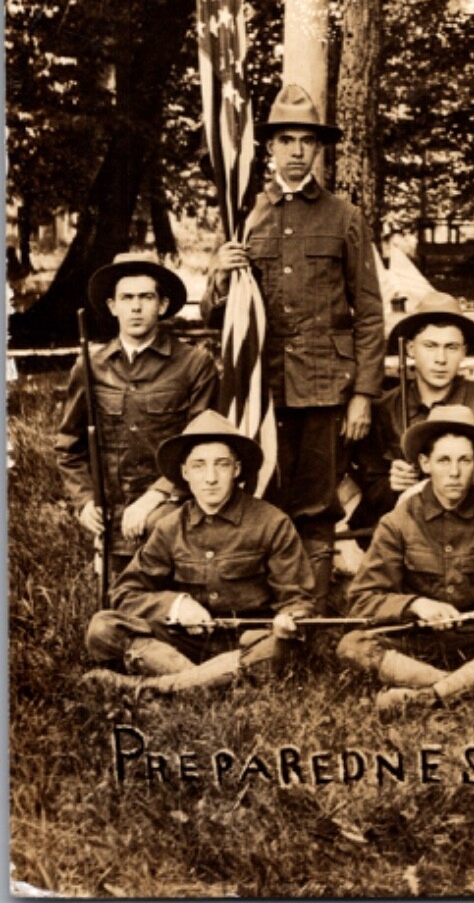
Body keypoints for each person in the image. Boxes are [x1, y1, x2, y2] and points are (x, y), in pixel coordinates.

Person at [205, 83, 385, 607]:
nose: (296, 150)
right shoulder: (247, 218)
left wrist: (363, 395)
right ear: (269, 149)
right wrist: (220, 273)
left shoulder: (343, 217)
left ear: (318, 149)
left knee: (317, 503)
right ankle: (269, 602)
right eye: (286, 139)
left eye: (307, 140)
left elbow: (369, 312)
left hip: (327, 387)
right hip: (261, 386)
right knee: (265, 494)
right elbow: (218, 316)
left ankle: (314, 610)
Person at [81, 412, 315, 694]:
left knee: (280, 648)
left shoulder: (272, 523)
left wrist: (290, 620)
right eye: (199, 466)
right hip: (185, 644)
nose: (211, 478)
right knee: (103, 627)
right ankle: (213, 684)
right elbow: (125, 594)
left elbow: (298, 601)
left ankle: (155, 687)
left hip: (247, 642)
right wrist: (176, 606)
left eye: (222, 465)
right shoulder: (170, 527)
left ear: (237, 470)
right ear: (185, 473)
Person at [338, 407, 474, 716]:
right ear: (425, 463)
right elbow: (362, 600)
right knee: (352, 645)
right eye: (443, 460)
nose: (454, 472)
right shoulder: (397, 521)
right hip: (416, 643)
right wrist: (415, 604)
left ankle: (428, 698)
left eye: (464, 460)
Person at [57, 253, 217, 579]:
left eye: (146, 297)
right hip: (113, 520)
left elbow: (202, 446)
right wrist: (85, 502)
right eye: (126, 298)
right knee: (117, 616)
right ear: (112, 306)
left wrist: (155, 497)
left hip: (175, 511)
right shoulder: (90, 366)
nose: (136, 307)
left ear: (162, 304)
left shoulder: (194, 364)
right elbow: (69, 448)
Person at [349, 291, 474, 529]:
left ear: (464, 352)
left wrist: (428, 488)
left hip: (467, 528)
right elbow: (370, 486)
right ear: (410, 349)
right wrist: (391, 484)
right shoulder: (384, 409)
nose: (440, 358)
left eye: (451, 347)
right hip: (403, 531)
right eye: (430, 346)